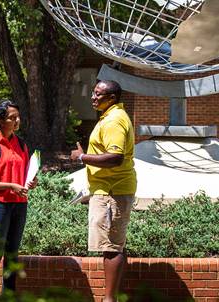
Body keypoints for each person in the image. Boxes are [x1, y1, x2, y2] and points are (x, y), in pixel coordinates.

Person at [70, 80, 137, 302]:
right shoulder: (111, 117)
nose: (93, 97)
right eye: (93, 92)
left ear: (112, 98)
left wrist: (81, 157)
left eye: (99, 94)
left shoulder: (114, 121)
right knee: (113, 245)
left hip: (111, 191)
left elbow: (115, 158)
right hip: (109, 189)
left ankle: (109, 300)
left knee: (110, 247)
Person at [0, 99, 38, 296]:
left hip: (20, 204)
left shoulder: (21, 144)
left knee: (12, 253)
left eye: (18, 117)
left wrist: (31, 182)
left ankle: (9, 295)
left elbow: (26, 174)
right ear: (1, 120)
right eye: (12, 118)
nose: (17, 121)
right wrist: (11, 186)